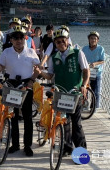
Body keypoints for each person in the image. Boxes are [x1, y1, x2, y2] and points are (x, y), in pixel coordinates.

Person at [38, 28, 89, 156]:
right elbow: (50, 76)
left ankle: (81, 151)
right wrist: (40, 73)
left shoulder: (78, 53)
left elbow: (86, 70)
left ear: (68, 41)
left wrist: (84, 85)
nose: (61, 44)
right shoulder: (54, 57)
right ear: (55, 44)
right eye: (58, 42)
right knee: (63, 121)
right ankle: (66, 148)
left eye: (63, 41)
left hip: (74, 93)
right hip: (60, 94)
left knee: (76, 124)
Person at [0, 25, 40, 157]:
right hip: (11, 84)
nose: (19, 40)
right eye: (15, 38)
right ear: (11, 39)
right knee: (12, 115)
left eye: (21, 37)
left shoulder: (31, 52)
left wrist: (32, 79)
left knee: (27, 117)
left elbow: (38, 69)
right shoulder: (6, 52)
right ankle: (15, 144)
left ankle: (28, 145)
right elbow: (0, 68)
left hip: (26, 84)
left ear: (25, 39)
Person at [82, 31, 105, 108]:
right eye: (91, 38)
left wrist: (95, 63)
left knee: (96, 92)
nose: (93, 40)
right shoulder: (84, 49)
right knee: (84, 89)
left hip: (96, 73)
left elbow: (102, 60)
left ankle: (94, 107)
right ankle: (84, 105)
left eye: (95, 39)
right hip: (86, 72)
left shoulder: (100, 49)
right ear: (88, 39)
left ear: (97, 40)